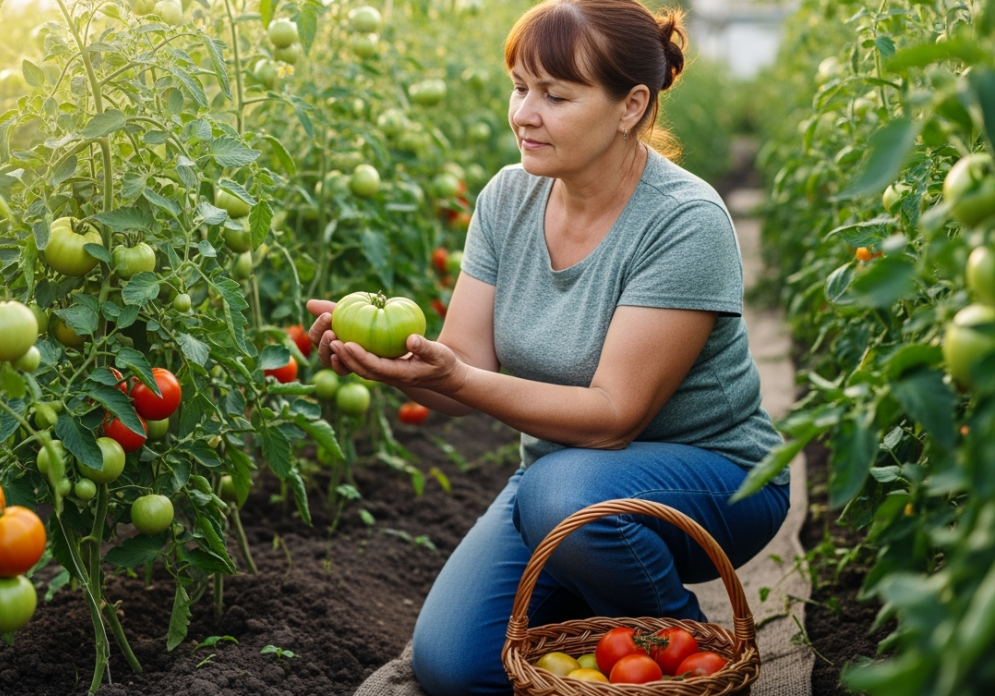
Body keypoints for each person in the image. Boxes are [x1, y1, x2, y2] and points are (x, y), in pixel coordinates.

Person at [304, 0, 790, 693]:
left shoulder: (685, 222)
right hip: (564, 482)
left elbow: (615, 414)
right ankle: (600, 602)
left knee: (563, 494)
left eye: (555, 95)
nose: (524, 114)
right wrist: (391, 368)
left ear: (631, 106)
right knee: (456, 666)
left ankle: (686, 655)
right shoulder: (507, 199)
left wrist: (461, 382)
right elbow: (458, 365)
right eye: (519, 87)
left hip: (717, 480)